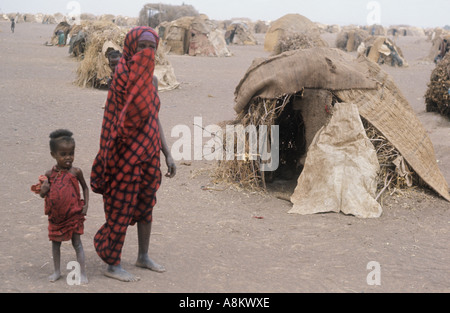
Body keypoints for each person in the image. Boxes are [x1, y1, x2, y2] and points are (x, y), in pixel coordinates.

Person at [91, 26, 176, 282]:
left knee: (146, 204)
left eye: (151, 47)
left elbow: (153, 117)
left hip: (149, 152)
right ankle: (112, 263)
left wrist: (167, 152)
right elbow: (114, 119)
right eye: (142, 46)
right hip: (124, 154)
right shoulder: (121, 77)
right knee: (121, 206)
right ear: (131, 48)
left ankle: (143, 256)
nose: (147, 52)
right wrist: (111, 154)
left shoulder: (152, 80)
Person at [31, 129, 89, 284]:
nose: (68, 158)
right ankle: (57, 271)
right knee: (55, 245)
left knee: (77, 244)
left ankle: (82, 273)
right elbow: (43, 194)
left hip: (74, 215)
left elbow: (85, 188)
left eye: (71, 153)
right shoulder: (49, 174)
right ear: (53, 155)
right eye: (63, 154)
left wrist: (86, 205)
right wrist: (43, 191)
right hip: (56, 218)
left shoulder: (76, 172)